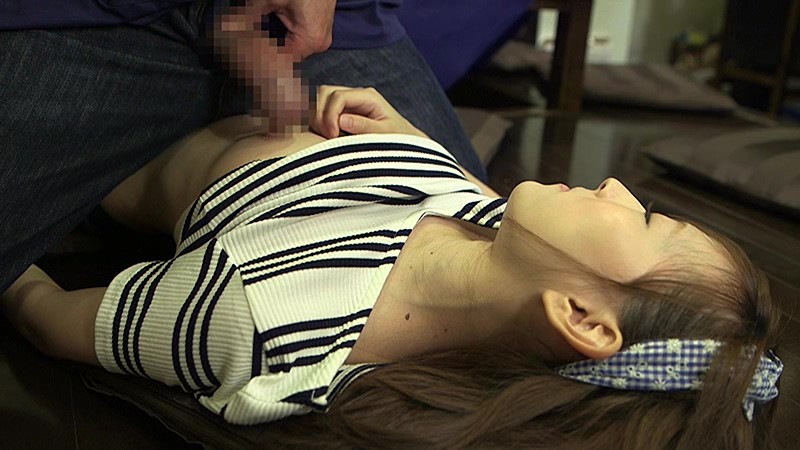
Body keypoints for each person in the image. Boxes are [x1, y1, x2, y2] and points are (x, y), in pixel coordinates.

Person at [1, 87, 783, 449]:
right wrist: (407, 137)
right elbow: (465, 193)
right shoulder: (511, 237)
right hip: (309, 91)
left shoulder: (261, 313)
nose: (618, 187)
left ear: (581, 317)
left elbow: (53, 320)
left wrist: (17, 240)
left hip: (156, 106)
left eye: (643, 220)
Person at [0, 0, 485, 294]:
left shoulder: (256, 320)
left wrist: (29, 295)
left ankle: (99, 201)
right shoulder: (480, 221)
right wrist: (421, 144)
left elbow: (89, 325)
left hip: (324, 24)